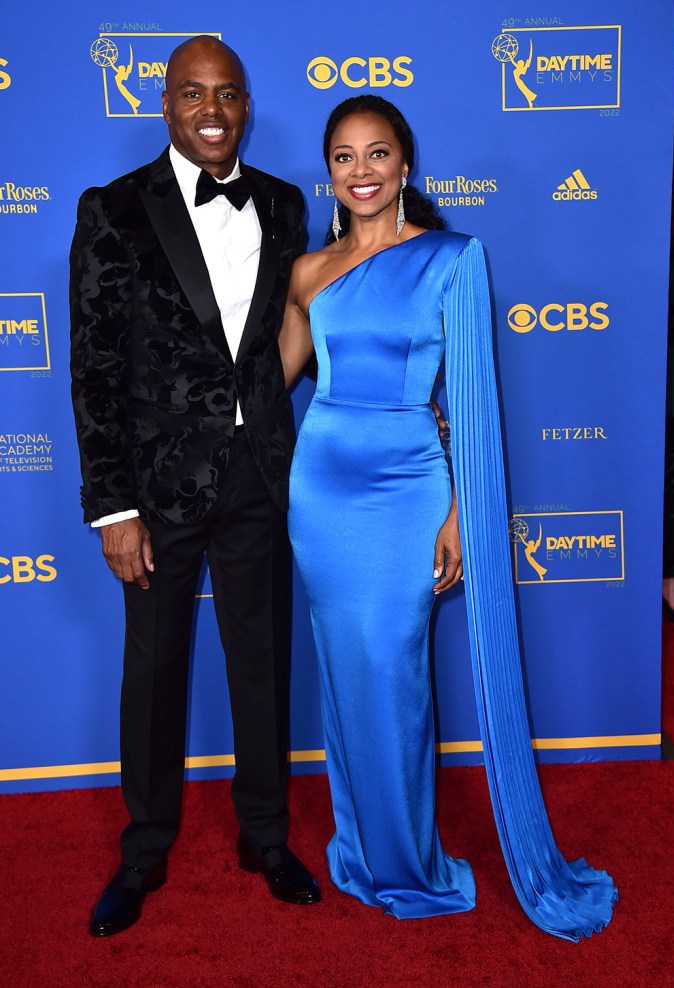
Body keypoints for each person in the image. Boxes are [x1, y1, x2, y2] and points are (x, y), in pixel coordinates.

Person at [278, 95, 617, 939]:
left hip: (408, 490)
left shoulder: (454, 259)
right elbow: (266, 381)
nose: (361, 171)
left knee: (395, 675)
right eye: (345, 156)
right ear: (330, 172)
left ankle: (412, 863)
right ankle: (361, 851)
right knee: (345, 670)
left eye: (378, 153)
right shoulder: (307, 273)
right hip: (321, 488)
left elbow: (469, 403)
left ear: (406, 166)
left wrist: (464, 510)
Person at [69, 35, 320, 938]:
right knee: (154, 672)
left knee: (262, 664)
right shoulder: (113, 209)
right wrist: (114, 506)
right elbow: (94, 369)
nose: (211, 110)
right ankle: (143, 854)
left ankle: (265, 837)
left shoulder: (289, 206)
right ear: (165, 104)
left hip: (259, 479)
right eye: (192, 94)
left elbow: (297, 329)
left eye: (227, 94)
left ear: (247, 105)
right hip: (155, 489)